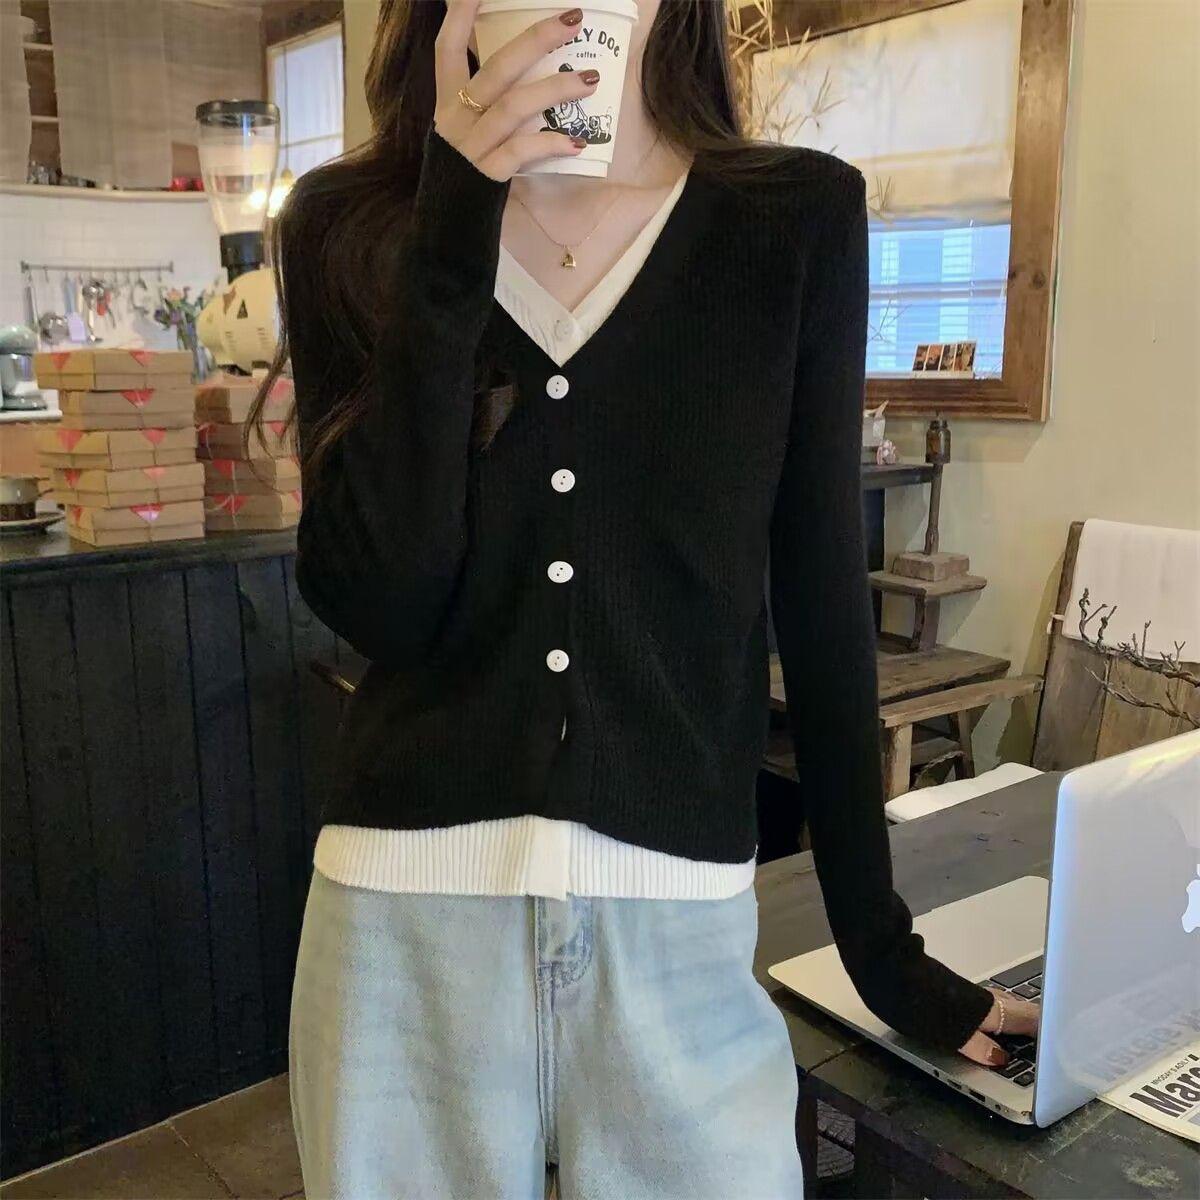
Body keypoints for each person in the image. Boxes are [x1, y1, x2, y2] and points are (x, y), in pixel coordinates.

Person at [253, 2, 1038, 1196]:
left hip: (680, 930)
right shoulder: (348, 225)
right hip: (402, 938)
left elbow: (822, 605)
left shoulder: (793, 218)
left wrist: (887, 962)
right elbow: (381, 605)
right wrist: (454, 221)